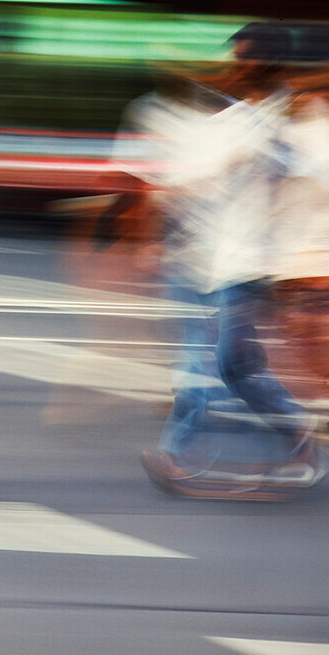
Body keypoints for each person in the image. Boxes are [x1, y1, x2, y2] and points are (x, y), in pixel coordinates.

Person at [132, 24, 321, 496]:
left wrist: (297, 274)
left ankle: (176, 453)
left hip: (254, 266)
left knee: (207, 359)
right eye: (236, 57)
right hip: (212, 260)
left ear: (272, 62)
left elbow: (304, 193)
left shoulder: (294, 121)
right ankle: (298, 435)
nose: (237, 66)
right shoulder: (233, 119)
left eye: (247, 58)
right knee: (237, 369)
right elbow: (192, 181)